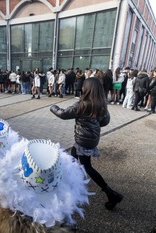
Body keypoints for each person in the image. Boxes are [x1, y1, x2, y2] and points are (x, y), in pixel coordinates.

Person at [50, 77, 123, 210]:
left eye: (84, 86)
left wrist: (53, 107)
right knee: (73, 157)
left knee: (87, 166)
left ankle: (111, 193)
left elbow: (64, 114)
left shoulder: (81, 105)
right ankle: (71, 182)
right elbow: (105, 121)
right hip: (91, 139)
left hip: (83, 140)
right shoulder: (101, 104)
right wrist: (93, 124)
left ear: (87, 89)